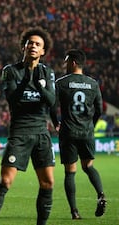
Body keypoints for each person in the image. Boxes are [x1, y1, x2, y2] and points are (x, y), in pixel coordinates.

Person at [0, 27, 56, 225]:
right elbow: (11, 98)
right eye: (30, 43)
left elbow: (51, 101)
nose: (33, 46)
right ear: (23, 47)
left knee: (48, 182)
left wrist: (39, 85)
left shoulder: (47, 72)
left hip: (41, 133)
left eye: (38, 44)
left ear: (43, 51)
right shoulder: (10, 71)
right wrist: (27, 79)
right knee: (6, 181)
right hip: (20, 133)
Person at [50, 49, 106, 219]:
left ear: (73, 62)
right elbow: (99, 109)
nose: (64, 64)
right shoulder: (93, 83)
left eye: (66, 61)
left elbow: (52, 106)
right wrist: (91, 125)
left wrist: (56, 123)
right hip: (87, 132)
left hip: (68, 131)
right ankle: (101, 194)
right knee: (88, 166)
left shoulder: (61, 82)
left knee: (70, 171)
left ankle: (74, 212)